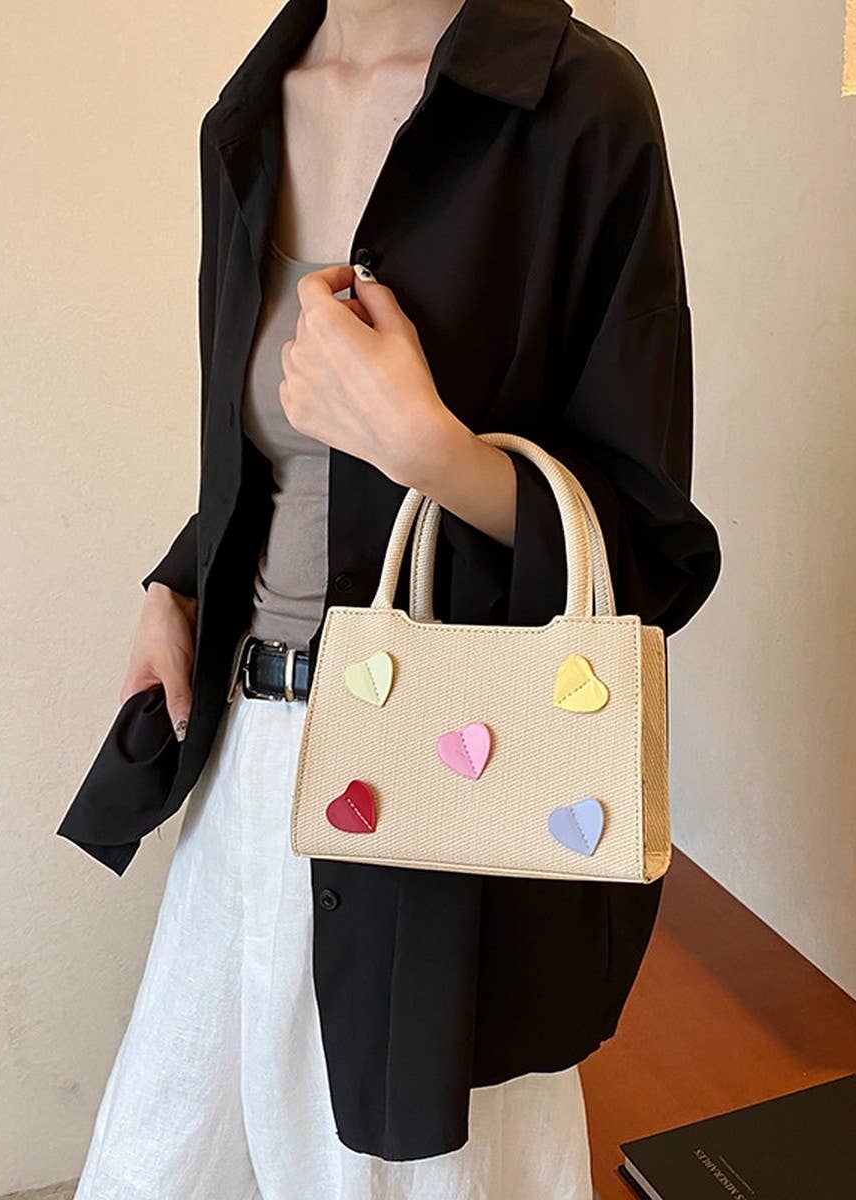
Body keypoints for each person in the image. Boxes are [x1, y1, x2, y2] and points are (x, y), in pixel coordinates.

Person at [68, 0, 722, 1196]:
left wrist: (432, 451)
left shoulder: (576, 105)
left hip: (445, 785)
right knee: (166, 1158)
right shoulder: (246, 117)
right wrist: (174, 582)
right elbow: (268, 459)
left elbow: (650, 554)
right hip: (246, 761)